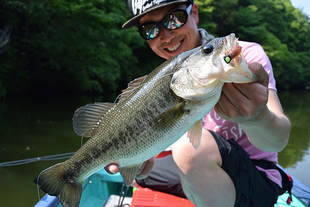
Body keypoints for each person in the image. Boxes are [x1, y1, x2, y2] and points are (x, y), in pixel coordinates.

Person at [106, 0, 291, 206]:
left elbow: (278, 141)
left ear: (194, 12)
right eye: (150, 29)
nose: (166, 35)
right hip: (200, 164)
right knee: (134, 174)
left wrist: (258, 118)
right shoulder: (163, 81)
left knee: (188, 151)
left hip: (257, 176)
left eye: (174, 19)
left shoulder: (244, 54)